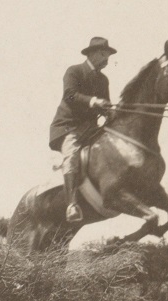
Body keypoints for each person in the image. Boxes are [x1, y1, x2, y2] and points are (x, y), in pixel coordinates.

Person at [49, 37, 116, 222]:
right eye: (103, 54)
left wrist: (111, 111)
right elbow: (69, 96)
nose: (107, 59)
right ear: (92, 54)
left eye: (108, 55)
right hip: (68, 126)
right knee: (71, 154)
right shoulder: (74, 71)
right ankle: (71, 204)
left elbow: (105, 105)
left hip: (90, 129)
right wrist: (93, 101)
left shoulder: (103, 80)